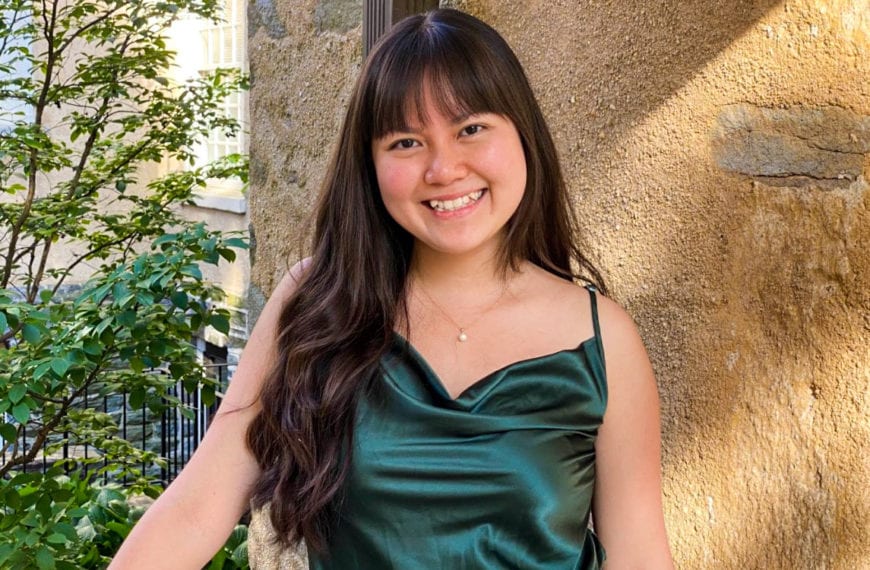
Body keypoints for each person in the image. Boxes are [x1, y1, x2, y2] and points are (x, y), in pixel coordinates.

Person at [111, 8, 674, 569]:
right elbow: (195, 509)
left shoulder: (603, 341)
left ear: (522, 135)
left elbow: (640, 556)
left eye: (471, 129)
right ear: (371, 164)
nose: (444, 169)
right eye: (406, 142)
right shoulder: (317, 304)